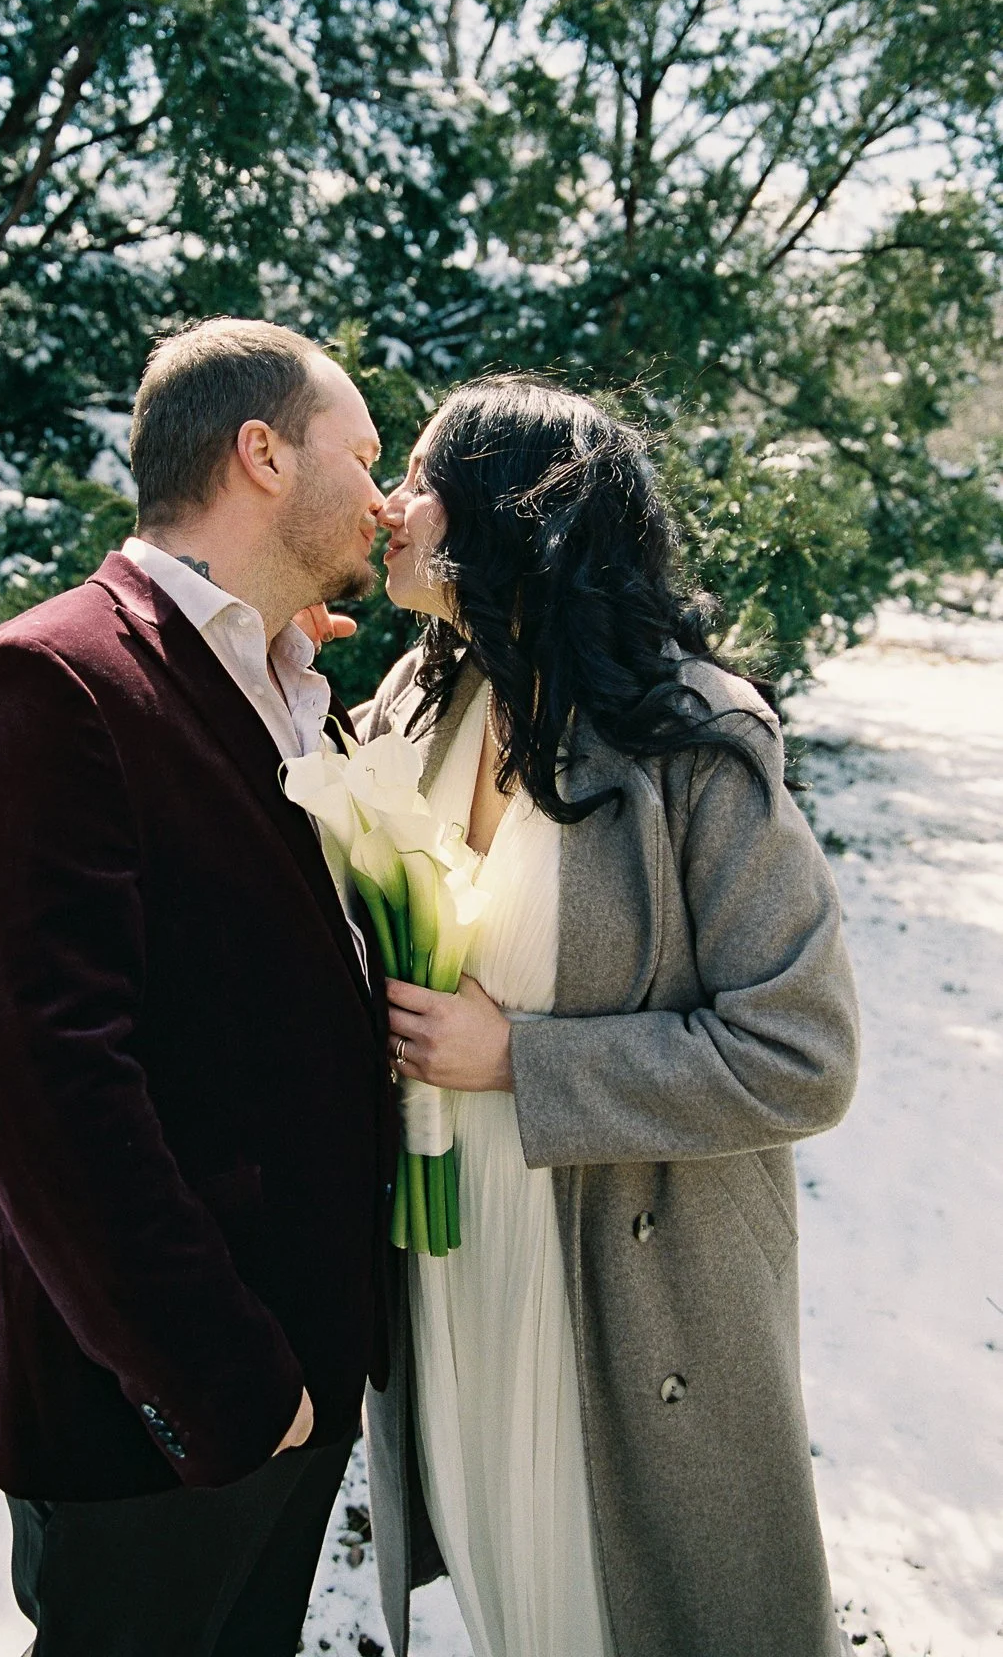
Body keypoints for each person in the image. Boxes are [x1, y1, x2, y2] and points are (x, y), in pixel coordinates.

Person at [0, 318, 395, 1657]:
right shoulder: (43, 682)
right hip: (162, 1418)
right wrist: (227, 1389)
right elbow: (43, 1089)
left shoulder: (292, 684)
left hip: (303, 1377)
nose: (386, 493)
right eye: (361, 456)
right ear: (258, 453)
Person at [360, 376, 860, 1657]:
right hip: (455, 1267)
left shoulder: (689, 741)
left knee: (624, 1604)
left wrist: (520, 1062)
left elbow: (801, 1054)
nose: (391, 508)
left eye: (420, 479)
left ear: (505, 516)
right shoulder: (422, 702)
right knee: (512, 1592)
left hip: (622, 1286)